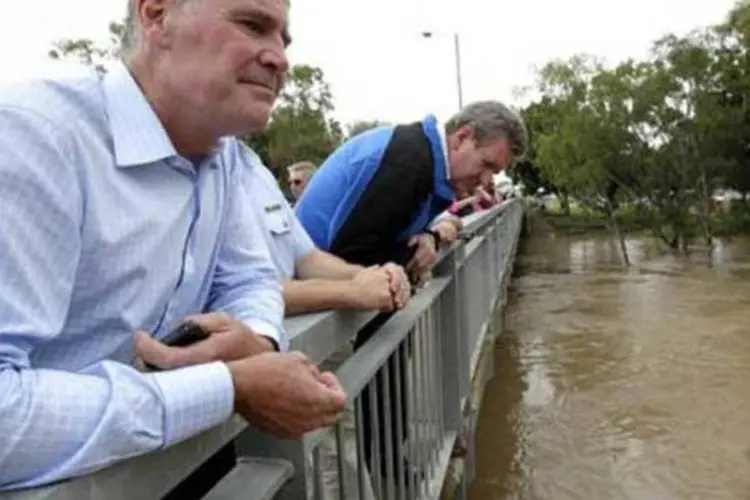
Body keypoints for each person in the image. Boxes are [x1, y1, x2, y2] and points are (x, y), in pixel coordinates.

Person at [0, 0, 345, 493]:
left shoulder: (223, 159)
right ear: (157, 15)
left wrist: (258, 342)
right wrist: (229, 386)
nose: (279, 58)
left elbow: (249, 279)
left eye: (284, 39)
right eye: (252, 24)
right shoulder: (34, 138)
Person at [294, 101, 527, 484]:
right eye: (487, 165)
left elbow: (385, 238)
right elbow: (352, 253)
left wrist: (433, 233)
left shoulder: (421, 158)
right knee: (337, 443)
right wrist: (420, 246)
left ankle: (388, 466)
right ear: (462, 137)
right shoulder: (408, 162)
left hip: (331, 306)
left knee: (355, 428)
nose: (487, 182)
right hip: (318, 315)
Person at [243, 151, 412, 314]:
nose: (292, 187)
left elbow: (307, 258)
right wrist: (351, 291)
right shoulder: (223, 172)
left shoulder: (255, 170)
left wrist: (375, 277)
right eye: (291, 182)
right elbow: (246, 291)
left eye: (297, 182)